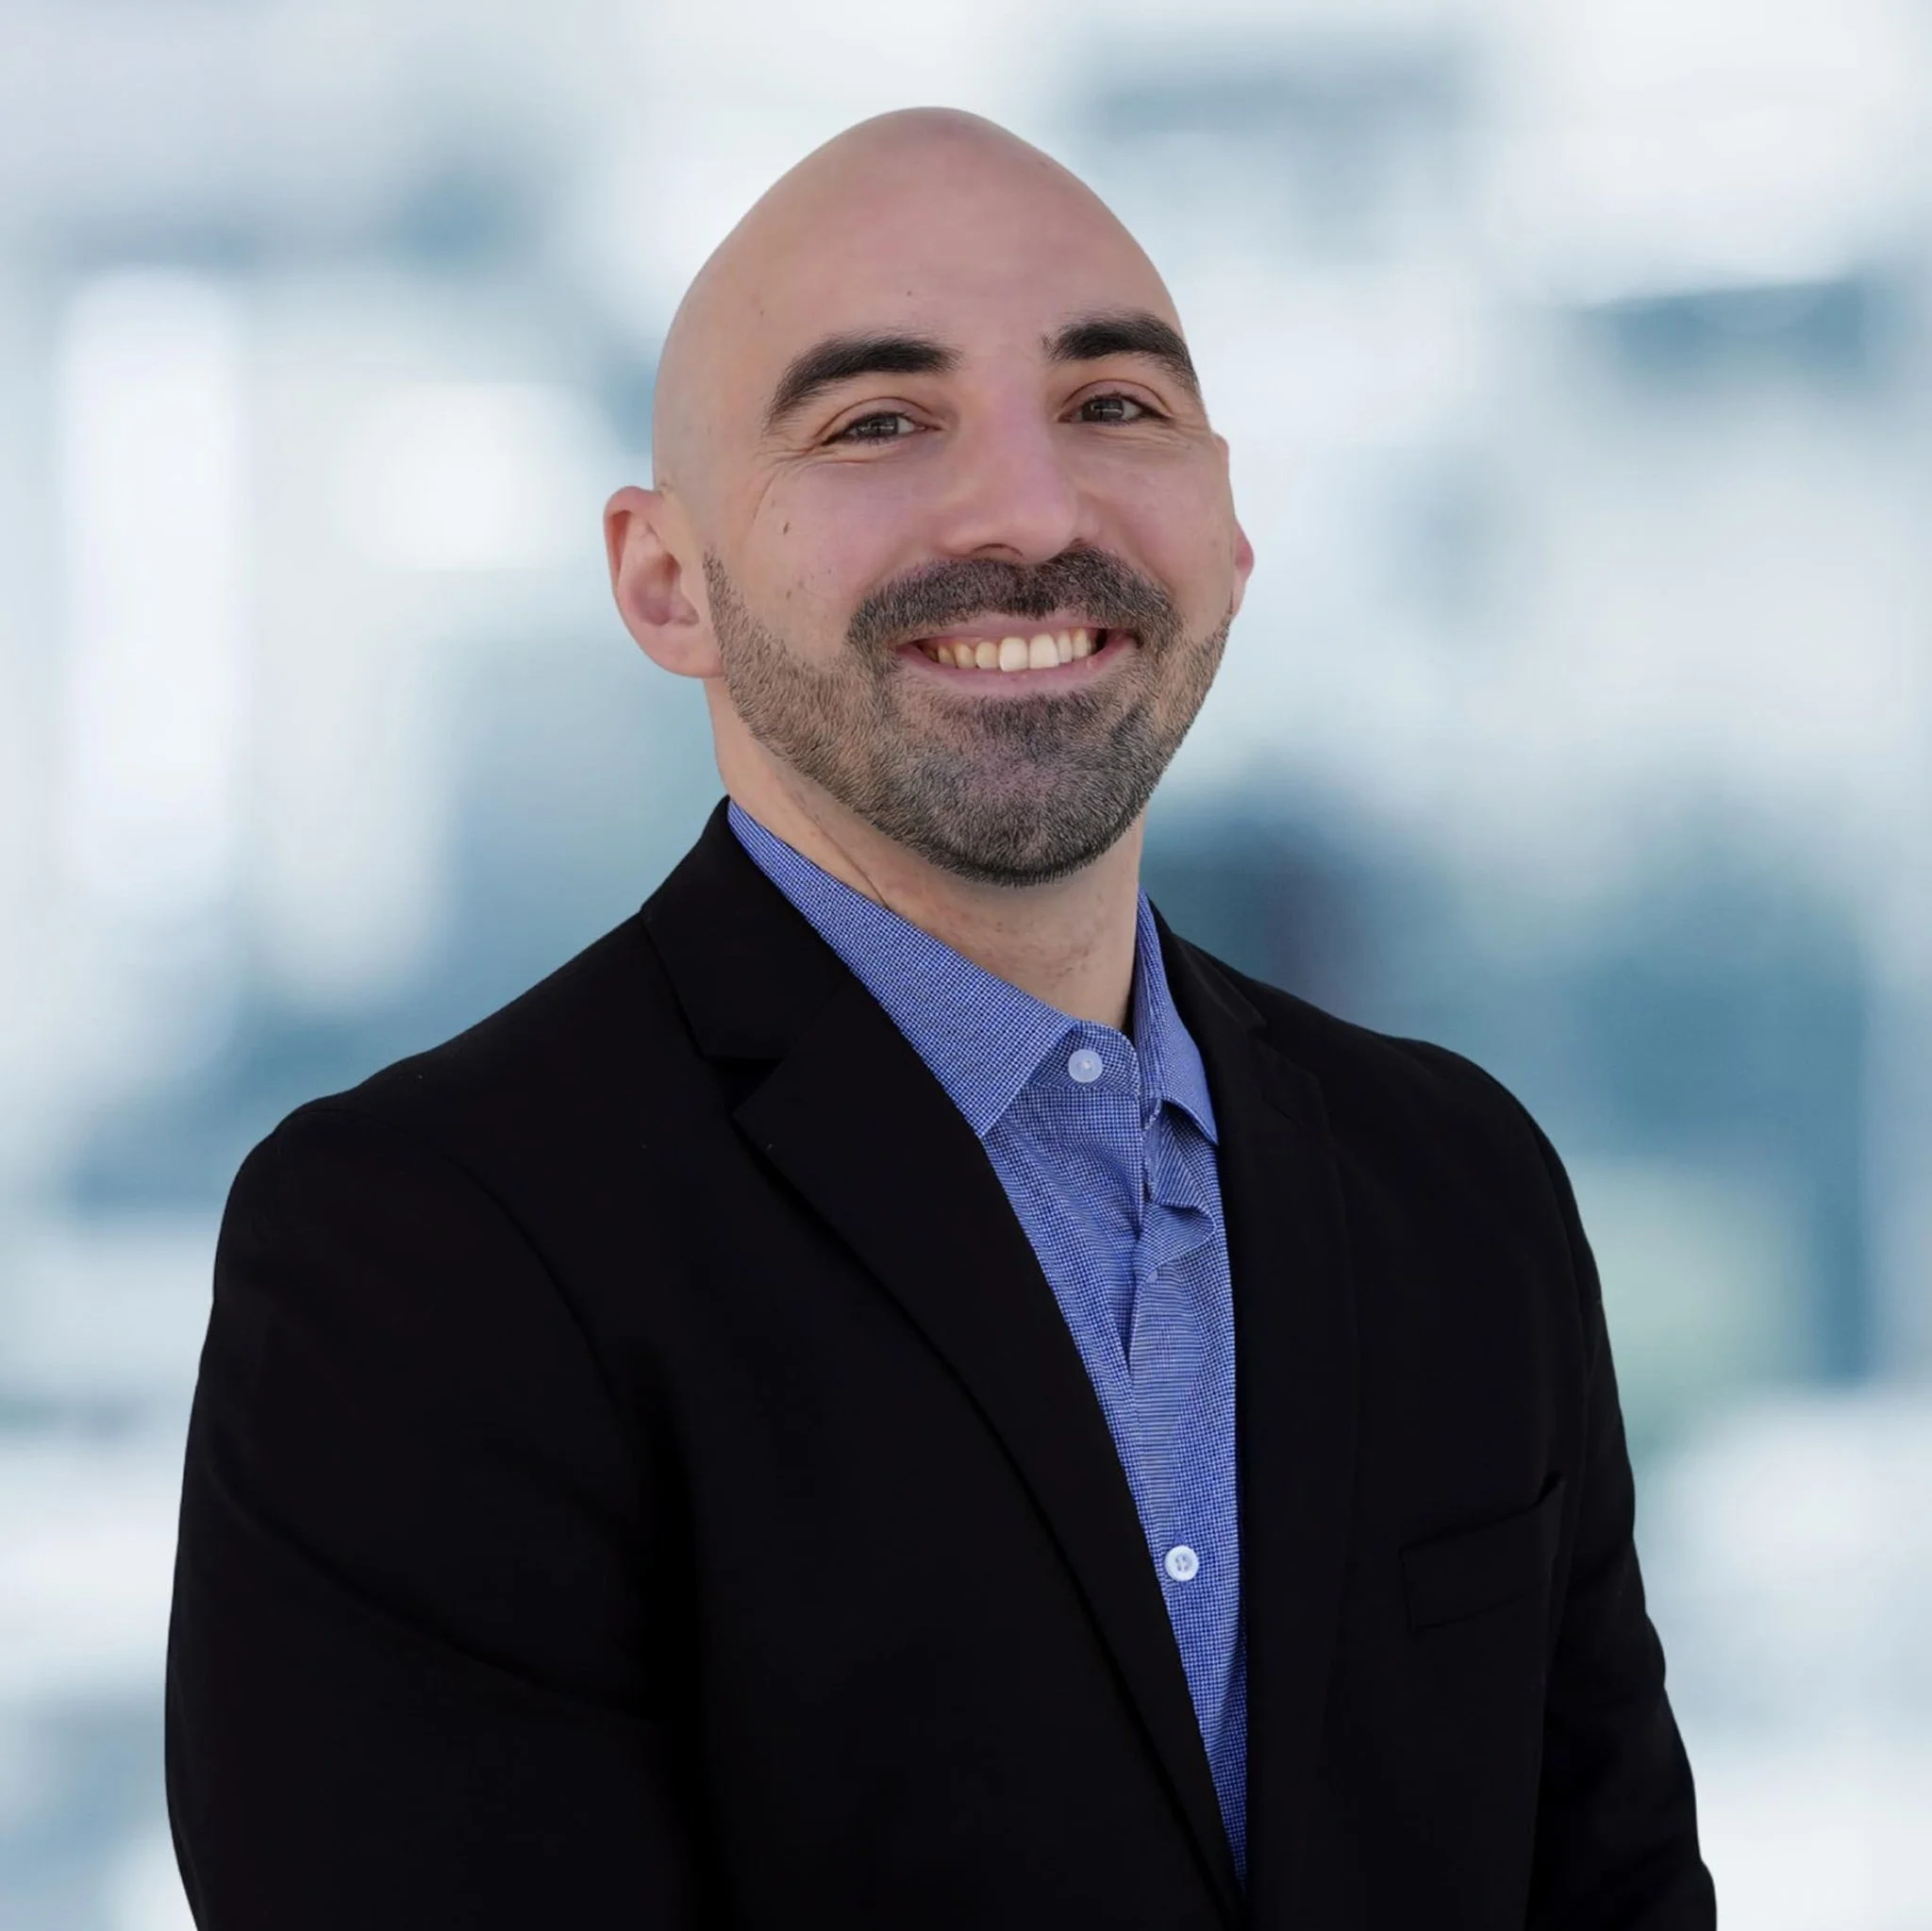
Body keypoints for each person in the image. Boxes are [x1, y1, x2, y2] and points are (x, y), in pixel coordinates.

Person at [164, 108, 1715, 1929]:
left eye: (1114, 406)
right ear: (667, 583)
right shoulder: (419, 1255)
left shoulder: (1463, 1190)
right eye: (877, 422)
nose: (1031, 513)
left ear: (1229, 524)